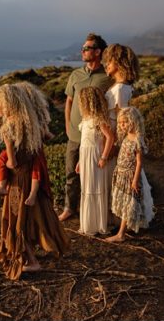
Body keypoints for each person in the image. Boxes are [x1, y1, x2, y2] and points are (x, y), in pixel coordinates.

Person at [0, 83, 68, 280]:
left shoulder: (8, 129)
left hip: (18, 181)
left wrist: (6, 164)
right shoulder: (30, 124)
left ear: (8, 104)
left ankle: (32, 261)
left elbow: (12, 162)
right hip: (29, 178)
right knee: (26, 217)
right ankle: (32, 255)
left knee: (16, 220)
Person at [59, 33, 113, 222]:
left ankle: (94, 210)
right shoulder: (76, 74)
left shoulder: (107, 76)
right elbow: (69, 102)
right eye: (82, 48)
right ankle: (69, 208)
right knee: (70, 173)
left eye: (86, 48)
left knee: (94, 173)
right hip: (75, 133)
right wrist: (67, 125)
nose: (82, 51)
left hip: (96, 135)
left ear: (98, 52)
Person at [107, 107, 155, 243]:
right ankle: (125, 228)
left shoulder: (137, 140)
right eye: (120, 122)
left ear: (133, 121)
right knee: (123, 202)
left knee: (128, 203)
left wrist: (134, 180)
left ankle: (121, 234)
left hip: (130, 176)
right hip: (121, 173)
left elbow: (139, 163)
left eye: (125, 122)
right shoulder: (126, 136)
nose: (122, 125)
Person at [75, 86, 116, 236]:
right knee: (86, 188)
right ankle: (88, 224)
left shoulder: (98, 119)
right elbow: (83, 142)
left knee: (95, 187)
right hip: (85, 156)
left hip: (95, 156)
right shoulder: (85, 119)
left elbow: (110, 137)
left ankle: (98, 224)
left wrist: (104, 156)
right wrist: (80, 161)